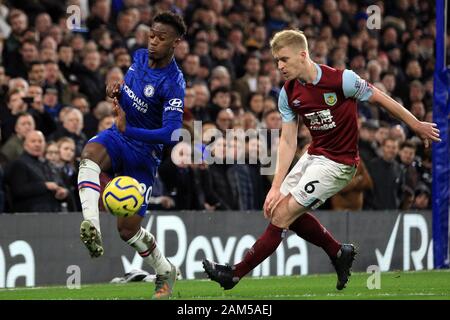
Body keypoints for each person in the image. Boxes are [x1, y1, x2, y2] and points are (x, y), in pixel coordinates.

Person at [203, 29, 440, 291]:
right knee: (276, 210)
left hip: (340, 164)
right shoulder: (288, 92)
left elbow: (382, 100)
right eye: (276, 61)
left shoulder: (342, 80)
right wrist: (275, 186)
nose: (279, 66)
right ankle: (338, 252)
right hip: (314, 155)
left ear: (302, 55)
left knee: (282, 214)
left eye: (284, 59)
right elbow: (287, 141)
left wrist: (415, 124)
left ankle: (234, 274)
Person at [77, 11, 186, 300]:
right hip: (118, 136)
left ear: (175, 43)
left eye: (161, 38)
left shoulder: (174, 82)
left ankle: (164, 271)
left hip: (144, 154)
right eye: (151, 34)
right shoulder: (138, 57)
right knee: (89, 155)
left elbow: (172, 134)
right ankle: (91, 224)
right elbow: (132, 100)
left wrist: (132, 130)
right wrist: (118, 94)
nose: (153, 42)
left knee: (127, 231)